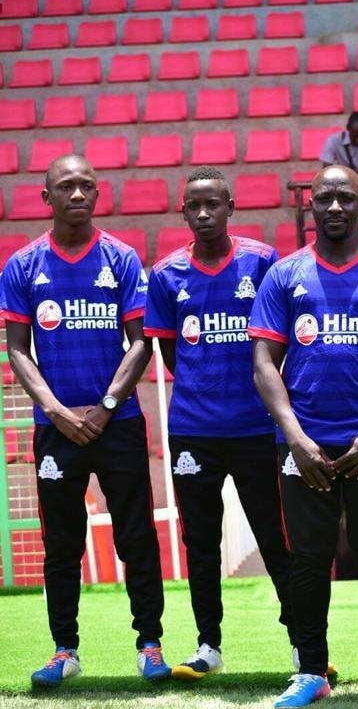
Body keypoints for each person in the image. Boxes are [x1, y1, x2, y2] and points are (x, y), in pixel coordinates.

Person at [249, 165, 358, 709]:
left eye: (344, 197)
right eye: (323, 197)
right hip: (304, 450)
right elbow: (263, 360)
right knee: (307, 560)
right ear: (311, 205)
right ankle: (310, 670)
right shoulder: (284, 275)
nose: (332, 207)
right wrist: (296, 439)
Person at [0, 155, 170, 686]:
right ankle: (64, 649)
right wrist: (55, 410)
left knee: (136, 536)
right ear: (46, 197)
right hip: (56, 429)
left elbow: (143, 342)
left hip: (116, 424)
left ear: (98, 196)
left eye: (87, 186)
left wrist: (108, 406)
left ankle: (150, 643)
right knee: (63, 544)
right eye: (66, 187)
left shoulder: (120, 259)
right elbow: (18, 350)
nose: (78, 194)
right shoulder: (23, 266)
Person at [142, 167, 294, 681]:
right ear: (183, 211)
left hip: (257, 429)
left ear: (231, 206)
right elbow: (169, 351)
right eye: (193, 206)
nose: (203, 214)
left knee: (277, 538)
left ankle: (303, 643)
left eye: (213, 204)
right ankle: (208, 645)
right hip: (193, 431)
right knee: (200, 544)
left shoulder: (262, 262)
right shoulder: (165, 275)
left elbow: (279, 342)